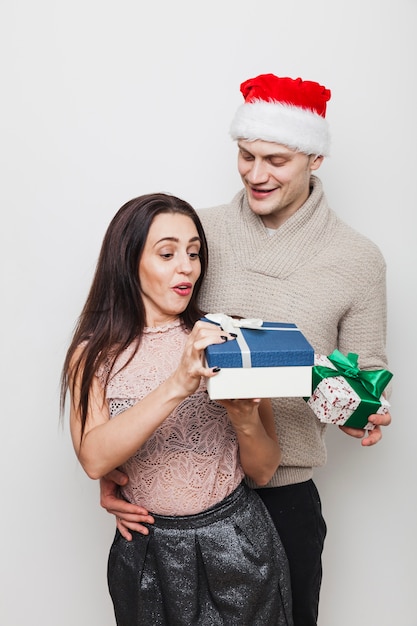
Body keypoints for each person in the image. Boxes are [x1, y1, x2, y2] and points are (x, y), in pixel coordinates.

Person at [100, 74, 392, 626]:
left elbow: (367, 369)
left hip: (283, 499)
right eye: (246, 155)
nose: (256, 175)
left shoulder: (358, 260)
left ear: (316, 157)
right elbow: (136, 345)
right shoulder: (194, 235)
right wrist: (114, 468)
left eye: (276, 160)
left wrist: (362, 411)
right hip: (181, 501)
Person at [61, 192, 293, 626]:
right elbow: (94, 458)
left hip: (238, 544)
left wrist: (244, 419)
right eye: (167, 253)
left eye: (193, 253)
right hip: (146, 549)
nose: (186, 266)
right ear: (128, 262)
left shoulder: (230, 338)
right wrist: (178, 384)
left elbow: (263, 470)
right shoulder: (94, 355)